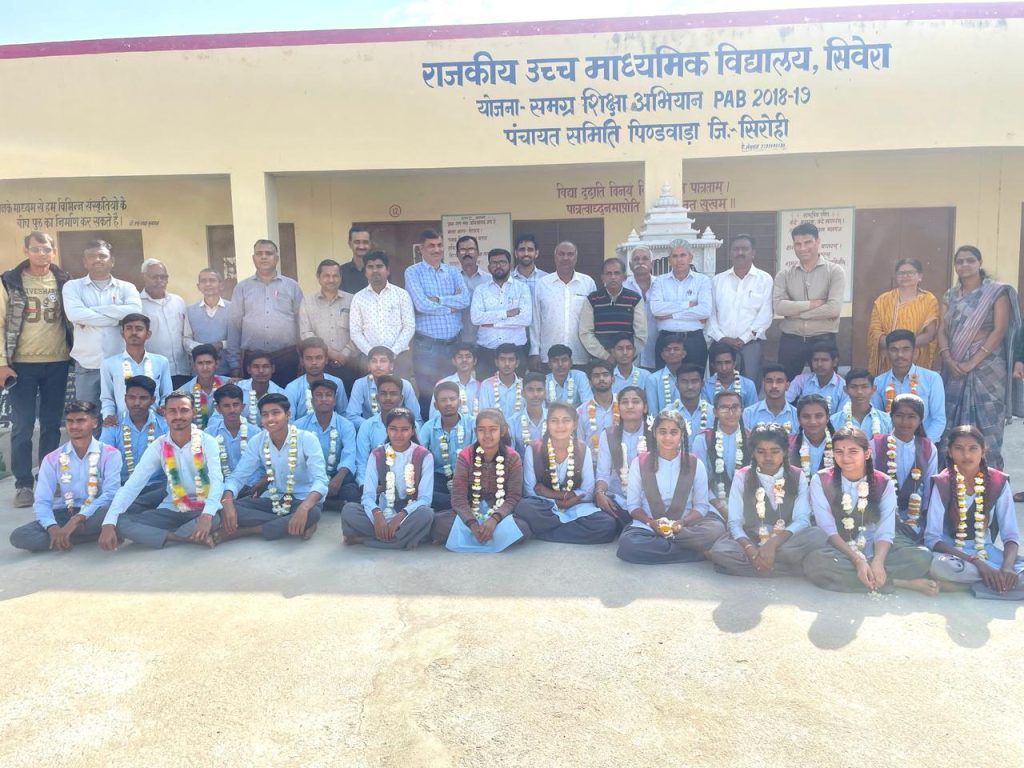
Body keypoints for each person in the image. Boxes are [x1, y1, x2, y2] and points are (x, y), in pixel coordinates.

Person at [802, 426, 937, 595]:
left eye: (853, 451)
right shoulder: (821, 479)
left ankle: (873, 574)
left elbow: (885, 529)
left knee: (922, 557)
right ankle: (900, 582)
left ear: (866, 453)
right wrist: (858, 560)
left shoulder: (884, 482)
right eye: (839, 452)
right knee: (816, 562)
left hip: (875, 546)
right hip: (839, 548)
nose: (845, 458)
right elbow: (827, 528)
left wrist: (878, 561)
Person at [0, 231, 74, 508]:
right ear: (26, 251)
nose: (41, 254)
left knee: (52, 424)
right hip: (21, 365)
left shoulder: (64, 281)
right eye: (35, 249)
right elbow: (1, 323)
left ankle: (47, 478)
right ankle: (23, 485)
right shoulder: (10, 281)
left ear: (53, 252)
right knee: (23, 425)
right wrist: (2, 363)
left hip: (58, 362)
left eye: (46, 249)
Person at [98, 391, 224, 550]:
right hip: (172, 508)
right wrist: (109, 522)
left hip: (201, 508)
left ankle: (167, 534)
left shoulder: (207, 441)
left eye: (184, 410)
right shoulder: (159, 445)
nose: (178, 416)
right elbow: (133, 485)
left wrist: (207, 515)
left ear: (193, 412)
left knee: (215, 519)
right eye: (172, 411)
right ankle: (182, 537)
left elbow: (217, 480)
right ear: (164, 413)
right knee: (120, 523)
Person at [937, 245, 1020, 469]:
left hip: (988, 370)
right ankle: (951, 477)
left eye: (970, 260)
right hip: (954, 367)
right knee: (952, 425)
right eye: (960, 261)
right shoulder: (950, 295)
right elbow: (942, 329)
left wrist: (971, 363)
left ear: (979, 263)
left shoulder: (996, 292)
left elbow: (999, 330)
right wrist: (948, 359)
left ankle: (991, 478)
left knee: (988, 426)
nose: (964, 265)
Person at [708, 424, 827, 577]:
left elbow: (802, 520)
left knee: (817, 535)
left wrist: (773, 543)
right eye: (761, 452)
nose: (768, 458)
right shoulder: (742, 475)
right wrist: (750, 549)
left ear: (785, 452)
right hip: (752, 538)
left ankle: (759, 565)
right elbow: (735, 522)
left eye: (775, 451)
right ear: (753, 453)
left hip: (786, 540)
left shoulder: (798, 475)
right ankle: (788, 568)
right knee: (722, 551)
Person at [9, 401, 121, 552]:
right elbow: (42, 500)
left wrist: (79, 518)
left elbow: (110, 494)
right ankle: (78, 537)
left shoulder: (110, 454)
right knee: (19, 536)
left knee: (117, 514)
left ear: (94, 423)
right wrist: (52, 527)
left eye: (80, 421)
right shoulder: (52, 459)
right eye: (70, 421)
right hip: (64, 512)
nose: (74, 426)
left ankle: (67, 537)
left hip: (95, 512)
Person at [926, 425, 1024, 598]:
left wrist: (1007, 568)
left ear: (983, 450)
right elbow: (932, 538)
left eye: (973, 448)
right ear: (950, 452)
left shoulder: (998, 481)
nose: (967, 455)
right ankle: (997, 582)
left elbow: (1010, 536)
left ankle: (979, 583)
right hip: (954, 556)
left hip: (986, 551)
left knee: (1015, 570)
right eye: (959, 449)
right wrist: (977, 563)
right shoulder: (942, 482)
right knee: (941, 567)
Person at [616, 410, 725, 564]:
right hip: (650, 525)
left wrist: (682, 522)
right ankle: (697, 554)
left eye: (674, 432)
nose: (668, 437)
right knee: (628, 544)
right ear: (654, 433)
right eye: (663, 432)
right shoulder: (639, 463)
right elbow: (633, 505)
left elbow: (701, 506)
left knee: (716, 530)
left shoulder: (695, 464)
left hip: (685, 526)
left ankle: (662, 547)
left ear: (682, 434)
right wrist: (651, 523)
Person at [214, 393, 325, 544]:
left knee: (313, 512)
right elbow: (238, 476)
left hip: (303, 499)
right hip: (274, 498)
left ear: (288, 414)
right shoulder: (258, 441)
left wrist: (304, 509)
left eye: (276, 413)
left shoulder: (307, 439)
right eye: (265, 415)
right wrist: (227, 501)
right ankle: (293, 523)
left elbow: (320, 481)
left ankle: (247, 531)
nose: (270, 419)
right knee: (225, 507)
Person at [514, 402, 618, 544]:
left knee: (607, 524)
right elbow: (530, 492)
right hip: (546, 507)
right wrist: (560, 502)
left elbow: (588, 493)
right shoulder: (533, 449)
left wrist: (552, 494)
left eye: (566, 420)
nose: (560, 426)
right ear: (547, 424)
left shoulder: (582, 449)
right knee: (525, 507)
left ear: (574, 424)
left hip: (576, 506)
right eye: (554, 421)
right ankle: (567, 531)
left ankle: (541, 532)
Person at [431, 409, 531, 552]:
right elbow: (458, 497)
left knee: (522, 528)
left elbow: (513, 497)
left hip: (500, 516)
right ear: (475, 431)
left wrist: (494, 519)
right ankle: (486, 536)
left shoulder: (512, 457)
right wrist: (472, 523)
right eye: (482, 430)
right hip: (470, 513)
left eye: (493, 430)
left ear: (502, 431)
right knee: (438, 523)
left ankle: (475, 537)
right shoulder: (466, 455)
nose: (487, 435)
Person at [62, 239, 142, 406]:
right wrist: (117, 318)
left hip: (121, 364)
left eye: (102, 256)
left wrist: (90, 312)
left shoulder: (126, 287)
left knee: (121, 412)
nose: (97, 259)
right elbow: (74, 314)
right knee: (88, 414)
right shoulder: (72, 287)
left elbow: (135, 312)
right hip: (87, 365)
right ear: (85, 262)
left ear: (112, 261)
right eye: (91, 256)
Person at [341, 408, 435, 549]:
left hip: (410, 513)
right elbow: (368, 495)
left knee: (426, 514)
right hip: (384, 511)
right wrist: (377, 515)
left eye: (405, 429)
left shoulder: (424, 456)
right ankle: (402, 539)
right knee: (349, 510)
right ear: (386, 430)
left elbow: (425, 499)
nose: (398, 435)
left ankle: (367, 540)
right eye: (393, 429)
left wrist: (401, 515)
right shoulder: (377, 454)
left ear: (413, 431)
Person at [405, 229, 469, 411]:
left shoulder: (453, 272)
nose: (436, 249)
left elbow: (465, 300)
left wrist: (438, 299)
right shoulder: (413, 272)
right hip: (428, 347)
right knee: (428, 395)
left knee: (453, 394)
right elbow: (421, 305)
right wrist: (451, 305)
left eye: (439, 245)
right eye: (431, 246)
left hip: (454, 344)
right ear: (421, 249)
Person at [773, 222, 846, 380]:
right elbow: (779, 307)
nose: (803, 248)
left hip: (823, 338)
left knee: (826, 385)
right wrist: (812, 304)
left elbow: (833, 309)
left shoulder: (834, 272)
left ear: (818, 242)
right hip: (791, 339)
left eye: (808, 242)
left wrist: (798, 314)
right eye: (798, 244)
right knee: (787, 384)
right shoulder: (784, 275)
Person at [226, 239, 304, 385]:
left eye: (268, 253)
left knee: (285, 397)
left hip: (286, 358)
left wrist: (302, 357)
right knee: (254, 398)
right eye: (259, 253)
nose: (263, 257)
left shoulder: (292, 286)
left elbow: (301, 323)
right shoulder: (242, 288)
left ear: (277, 258)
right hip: (253, 360)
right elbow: (234, 326)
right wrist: (234, 364)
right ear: (253, 258)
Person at [706, 234, 774, 385]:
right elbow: (710, 314)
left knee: (749, 386)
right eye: (736, 249)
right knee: (720, 388)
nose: (740, 252)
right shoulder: (718, 281)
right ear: (730, 253)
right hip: (721, 344)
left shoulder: (764, 279)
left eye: (745, 249)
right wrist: (721, 338)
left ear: (753, 252)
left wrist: (744, 338)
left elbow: (765, 314)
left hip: (750, 345)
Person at [870, 393, 936, 542]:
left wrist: (925, 522)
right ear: (891, 416)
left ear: (920, 419)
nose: (905, 422)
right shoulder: (875, 444)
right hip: (880, 517)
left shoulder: (928, 448)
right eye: (899, 416)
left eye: (911, 417)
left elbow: (929, 489)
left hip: (914, 520)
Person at [100, 375, 168, 511]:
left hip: (155, 487)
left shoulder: (164, 426)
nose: (137, 403)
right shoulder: (113, 426)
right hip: (123, 486)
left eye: (143, 398)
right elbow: (103, 462)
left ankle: (128, 509)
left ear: (153, 400)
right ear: (125, 399)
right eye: (132, 398)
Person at [528, 241, 596, 368]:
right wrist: (535, 351)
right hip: (549, 357)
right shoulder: (542, 284)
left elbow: (593, 320)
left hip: (580, 355)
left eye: (570, 254)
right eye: (561, 254)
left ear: (576, 257)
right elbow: (535, 321)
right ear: (555, 257)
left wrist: (593, 351)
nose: (565, 258)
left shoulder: (588, 283)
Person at [349, 251, 416, 380]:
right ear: (365, 272)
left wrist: (392, 353)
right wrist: (372, 354)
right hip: (368, 357)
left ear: (388, 270)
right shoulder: (358, 298)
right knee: (369, 391)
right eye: (370, 267)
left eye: (379, 266)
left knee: (399, 390)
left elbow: (409, 326)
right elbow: (355, 332)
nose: (375, 270)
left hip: (399, 356)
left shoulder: (401, 295)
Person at [866, 258, 939, 375]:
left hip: (917, 357)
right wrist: (894, 348)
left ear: (920, 276)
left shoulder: (929, 300)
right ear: (896, 276)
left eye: (911, 272)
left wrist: (905, 348)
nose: (906, 276)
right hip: (889, 358)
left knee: (915, 384)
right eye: (901, 273)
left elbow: (929, 334)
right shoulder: (883, 300)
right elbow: (875, 332)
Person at [294, 380, 360, 509]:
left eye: (328, 395)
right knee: (293, 487)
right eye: (319, 395)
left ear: (334, 401)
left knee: (352, 492)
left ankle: (321, 502)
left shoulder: (346, 425)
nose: (323, 399)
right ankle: (330, 504)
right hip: (309, 477)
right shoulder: (299, 426)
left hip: (336, 476)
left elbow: (349, 455)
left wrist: (338, 478)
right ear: (312, 401)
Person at [871, 329, 946, 442]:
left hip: (924, 442)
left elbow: (938, 419)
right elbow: (877, 418)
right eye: (894, 350)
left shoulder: (932, 379)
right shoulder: (879, 382)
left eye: (905, 349)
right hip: (890, 445)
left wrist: (923, 445)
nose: (900, 355)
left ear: (914, 352)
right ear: (887, 353)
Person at [299, 258, 361, 392]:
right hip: (319, 366)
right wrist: (331, 353)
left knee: (347, 400)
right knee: (321, 400)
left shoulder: (353, 300)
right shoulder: (307, 302)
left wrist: (344, 354)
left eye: (335, 276)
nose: (331, 280)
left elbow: (359, 331)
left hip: (349, 365)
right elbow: (306, 333)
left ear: (340, 277)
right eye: (326, 276)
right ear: (318, 277)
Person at [648, 241, 711, 372]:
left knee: (694, 380)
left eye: (683, 255)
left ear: (690, 258)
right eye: (675, 256)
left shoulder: (702, 280)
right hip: (666, 340)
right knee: (664, 380)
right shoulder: (660, 281)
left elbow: (705, 311)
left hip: (693, 340)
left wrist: (671, 315)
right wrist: (687, 304)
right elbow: (656, 309)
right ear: (669, 259)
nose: (679, 260)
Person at [99, 314, 172, 426]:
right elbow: (107, 398)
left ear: (148, 334)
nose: (134, 332)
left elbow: (167, 394)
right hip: (121, 424)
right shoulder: (109, 364)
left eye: (139, 329)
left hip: (156, 423)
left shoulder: (161, 362)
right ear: (122, 333)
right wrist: (108, 415)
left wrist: (164, 407)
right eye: (129, 328)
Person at [692, 390, 750, 530]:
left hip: (747, 503)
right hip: (712, 504)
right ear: (715, 412)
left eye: (735, 407)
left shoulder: (752, 438)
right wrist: (721, 508)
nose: (730, 413)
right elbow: (700, 482)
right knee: (714, 530)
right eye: (724, 408)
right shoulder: (703, 439)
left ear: (742, 410)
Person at [471, 247, 532, 378]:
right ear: (489, 267)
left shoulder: (522, 288)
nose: (498, 266)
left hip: (516, 352)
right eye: (494, 263)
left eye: (502, 262)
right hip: (487, 352)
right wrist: (506, 313)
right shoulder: (480, 290)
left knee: (517, 389)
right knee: (485, 389)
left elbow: (525, 319)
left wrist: (493, 323)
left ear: (510, 265)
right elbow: (476, 318)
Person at [593, 385, 648, 529]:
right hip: (618, 499)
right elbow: (603, 474)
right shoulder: (609, 434)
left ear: (645, 407)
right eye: (624, 402)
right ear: (618, 407)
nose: (630, 406)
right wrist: (600, 493)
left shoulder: (655, 433)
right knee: (605, 524)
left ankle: (635, 527)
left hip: (649, 501)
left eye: (635, 402)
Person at [419, 381, 475, 511]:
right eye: (443, 400)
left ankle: (454, 505)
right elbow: (420, 454)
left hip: (467, 477)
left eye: (452, 399)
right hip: (439, 478)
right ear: (436, 405)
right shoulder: (429, 427)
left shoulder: (472, 423)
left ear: (459, 402)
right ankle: (457, 505)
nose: (449, 403)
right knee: (427, 494)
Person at [579, 257, 647, 363]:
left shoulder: (635, 299)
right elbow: (586, 333)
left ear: (624, 277)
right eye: (608, 273)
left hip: (628, 361)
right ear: (602, 277)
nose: (613, 277)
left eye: (617, 273)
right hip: (600, 361)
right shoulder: (592, 299)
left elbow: (641, 334)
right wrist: (606, 356)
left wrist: (626, 355)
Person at [140, 259, 193, 388]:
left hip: (182, 371)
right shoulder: (137, 304)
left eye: (163, 277)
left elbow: (186, 336)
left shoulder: (178, 301)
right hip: (154, 373)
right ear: (144, 277)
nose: (160, 281)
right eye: (154, 277)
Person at [206, 383, 262, 499]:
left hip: (250, 489)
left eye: (235, 405)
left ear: (243, 406)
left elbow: (262, 467)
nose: (232, 410)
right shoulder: (209, 434)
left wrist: (252, 486)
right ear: (218, 409)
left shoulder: (256, 433)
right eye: (226, 406)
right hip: (218, 490)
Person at [345, 346, 421, 430]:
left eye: (383, 361)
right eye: (374, 361)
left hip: (400, 432)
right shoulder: (360, 384)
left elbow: (416, 419)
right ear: (368, 366)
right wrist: (376, 427)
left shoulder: (405, 385)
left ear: (391, 366)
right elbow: (351, 416)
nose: (378, 365)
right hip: (370, 431)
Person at [353, 375, 408, 486]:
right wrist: (365, 487)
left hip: (406, 483)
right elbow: (361, 463)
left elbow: (419, 459)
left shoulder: (411, 426)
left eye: (393, 394)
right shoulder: (367, 426)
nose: (388, 398)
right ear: (377, 397)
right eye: (383, 394)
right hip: (374, 483)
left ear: (401, 398)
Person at [284, 337, 349, 421]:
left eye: (318, 358)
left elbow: (343, 415)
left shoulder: (337, 382)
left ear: (326, 360)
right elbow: (289, 421)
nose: (314, 362)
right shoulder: (292, 388)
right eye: (309, 358)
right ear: (302, 361)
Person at [186, 269, 231, 376]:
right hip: (199, 373)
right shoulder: (189, 310)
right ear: (198, 286)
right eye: (203, 281)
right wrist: (203, 349)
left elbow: (238, 339)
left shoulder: (233, 308)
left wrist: (221, 344)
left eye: (212, 280)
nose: (208, 284)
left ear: (221, 285)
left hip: (226, 370)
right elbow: (186, 339)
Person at [575, 361, 618, 466]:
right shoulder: (581, 411)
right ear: (590, 382)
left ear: (613, 379)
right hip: (591, 464)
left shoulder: (623, 406)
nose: (601, 378)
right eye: (596, 376)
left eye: (605, 375)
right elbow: (579, 443)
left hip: (619, 464)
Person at [623, 245, 658, 370]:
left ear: (651, 263)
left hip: (658, 350)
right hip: (630, 354)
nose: (640, 262)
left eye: (645, 258)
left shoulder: (661, 286)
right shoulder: (623, 287)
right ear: (630, 265)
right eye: (636, 259)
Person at [785, 344, 848, 414]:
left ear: (834, 362)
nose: (819, 364)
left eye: (824, 360)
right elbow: (783, 402)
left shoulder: (844, 387)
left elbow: (842, 416)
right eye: (815, 360)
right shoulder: (801, 380)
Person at [230, 351, 286, 429]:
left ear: (272, 369)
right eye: (256, 367)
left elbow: (285, 423)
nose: (261, 371)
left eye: (265, 366)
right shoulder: (236, 389)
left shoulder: (281, 394)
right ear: (249, 369)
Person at [830, 368, 892, 438]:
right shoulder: (834, 421)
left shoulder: (886, 420)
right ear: (845, 389)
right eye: (853, 387)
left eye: (864, 387)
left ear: (873, 389)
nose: (859, 392)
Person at [743, 364, 798, 435]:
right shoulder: (749, 413)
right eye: (769, 381)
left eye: (779, 381)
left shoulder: (796, 415)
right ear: (763, 385)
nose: (774, 386)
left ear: (787, 386)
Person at [429, 343, 480, 419]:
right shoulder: (442, 384)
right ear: (454, 361)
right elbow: (434, 416)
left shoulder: (480, 386)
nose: (464, 360)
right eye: (460, 357)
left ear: (475, 361)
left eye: (468, 356)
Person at [181, 345, 227, 429]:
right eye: (200, 363)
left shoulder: (228, 385)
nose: (205, 367)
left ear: (216, 364)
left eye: (209, 362)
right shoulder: (183, 392)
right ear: (193, 366)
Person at [700, 342, 758, 408]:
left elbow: (753, 412)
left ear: (734, 364)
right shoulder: (706, 386)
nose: (724, 368)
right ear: (713, 365)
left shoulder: (748, 385)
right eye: (719, 363)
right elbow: (705, 412)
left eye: (727, 362)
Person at [790, 395, 835, 480]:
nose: (813, 421)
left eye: (818, 416)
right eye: (806, 416)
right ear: (798, 419)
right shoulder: (788, 445)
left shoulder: (840, 444)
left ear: (827, 417)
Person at [455, 235, 489, 347]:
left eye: (471, 249)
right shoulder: (451, 279)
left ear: (478, 253)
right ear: (457, 254)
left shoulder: (489, 280)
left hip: (485, 340)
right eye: (462, 250)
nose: (467, 253)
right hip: (458, 341)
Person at [478, 343, 524, 420]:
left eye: (511, 360)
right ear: (496, 362)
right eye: (502, 359)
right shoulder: (486, 385)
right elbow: (484, 414)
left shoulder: (525, 385)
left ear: (517, 363)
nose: (507, 364)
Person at [644, 333, 687, 413]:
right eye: (668, 350)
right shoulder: (653, 379)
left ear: (684, 354)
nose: (672, 352)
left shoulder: (691, 378)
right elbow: (653, 412)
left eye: (676, 349)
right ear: (662, 355)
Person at [510, 372, 547, 455]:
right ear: (523, 393)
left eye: (539, 390)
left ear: (545, 393)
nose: (535, 394)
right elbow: (510, 453)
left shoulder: (553, 418)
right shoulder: (513, 422)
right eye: (530, 390)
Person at [675, 364, 713, 438]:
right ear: (677, 385)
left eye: (694, 381)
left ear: (702, 384)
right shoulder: (668, 413)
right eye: (684, 382)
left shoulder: (713, 413)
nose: (690, 387)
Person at [510, 233, 547, 298]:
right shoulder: (508, 279)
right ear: (516, 253)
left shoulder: (546, 279)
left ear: (536, 253)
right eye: (522, 250)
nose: (526, 253)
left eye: (530, 250)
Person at [341, 225, 371, 294]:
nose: (361, 246)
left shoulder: (378, 271)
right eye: (357, 242)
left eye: (365, 242)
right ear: (349, 244)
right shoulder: (340, 272)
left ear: (370, 244)